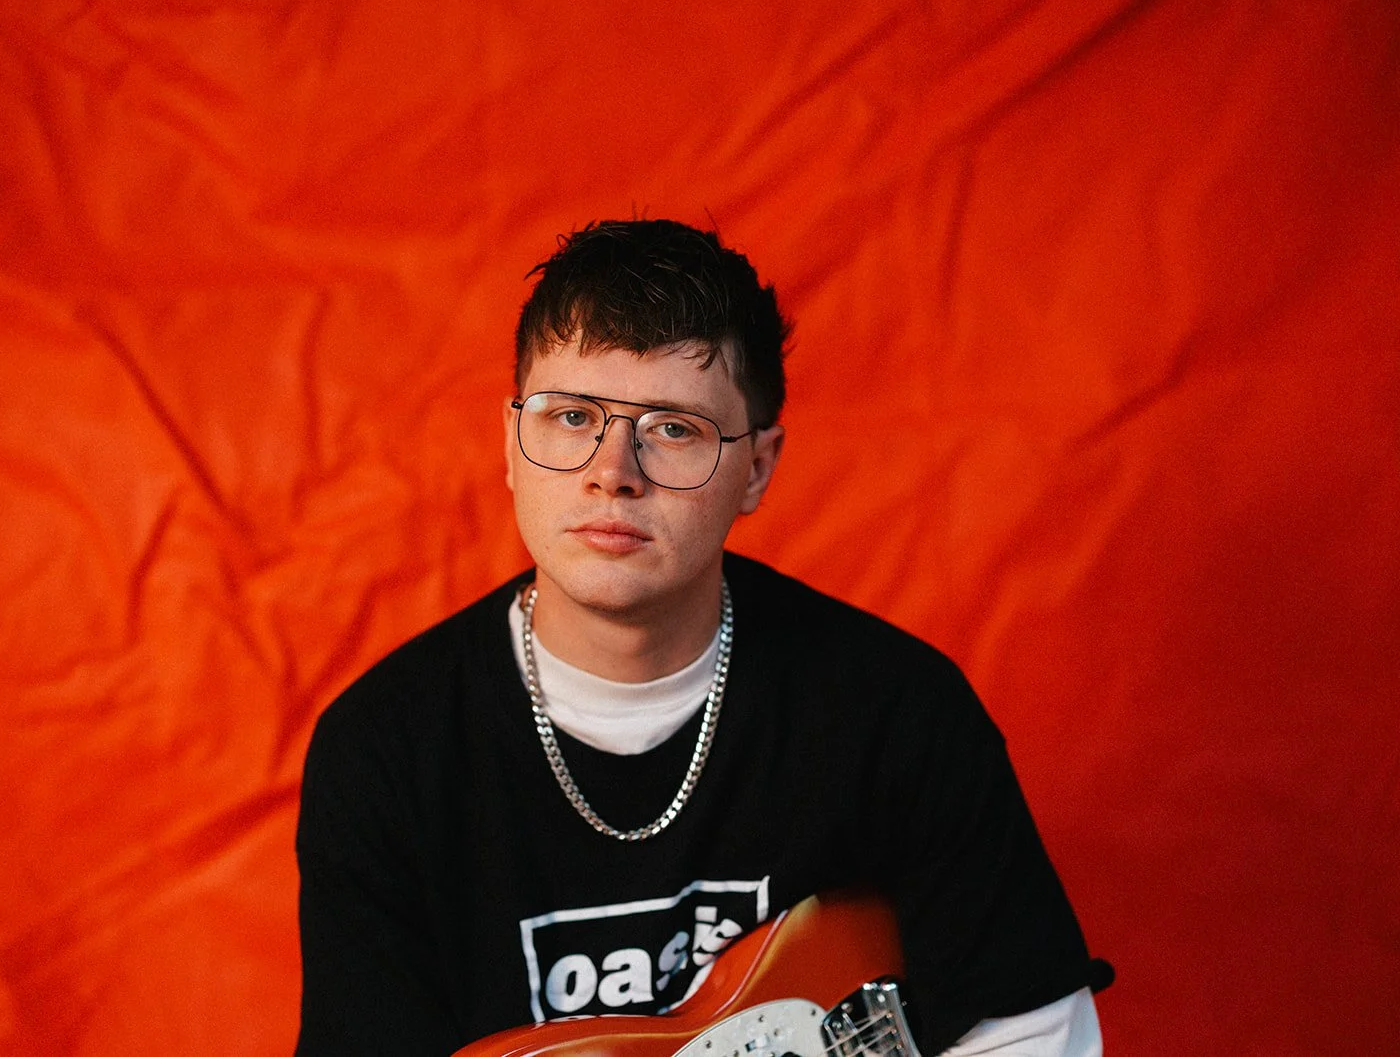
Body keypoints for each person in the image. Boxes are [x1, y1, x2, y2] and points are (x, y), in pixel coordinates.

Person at [295, 219, 1107, 1055]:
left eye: (673, 427)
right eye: (572, 416)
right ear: (511, 445)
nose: (613, 470)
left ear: (757, 467)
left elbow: (1034, 1029)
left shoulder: (897, 712)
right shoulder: (385, 752)